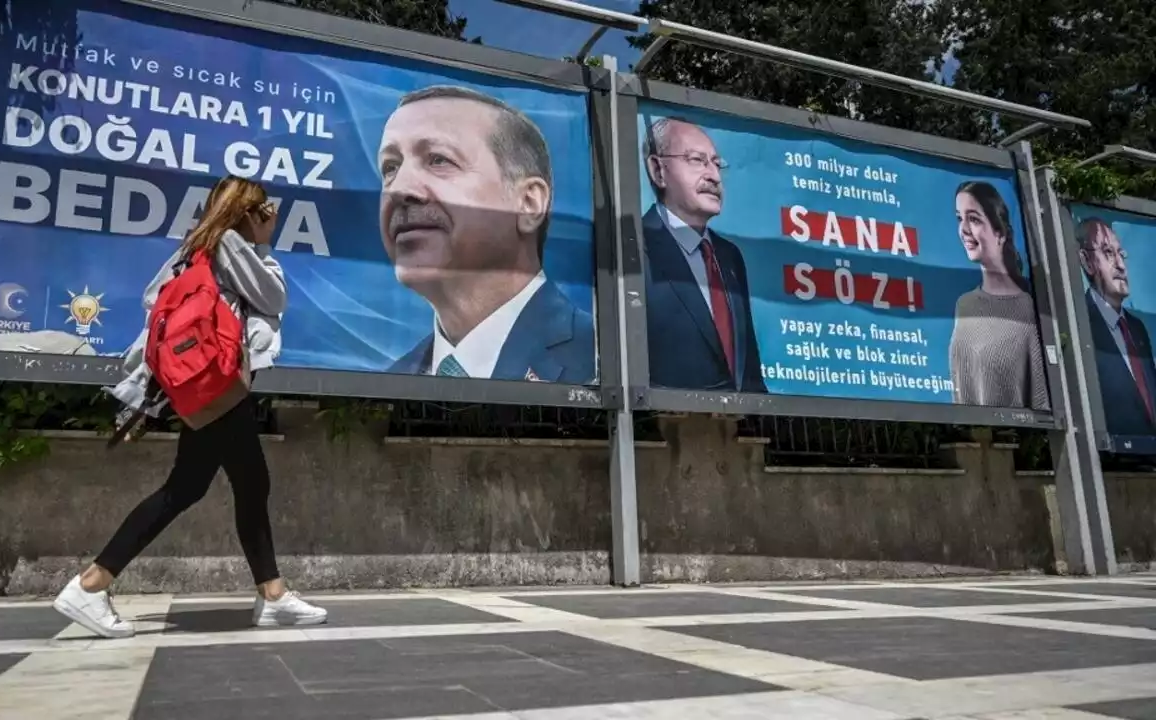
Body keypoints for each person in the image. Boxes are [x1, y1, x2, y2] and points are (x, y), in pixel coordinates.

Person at [52, 176, 327, 638]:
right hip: (216, 380)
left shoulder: (193, 246)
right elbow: (274, 296)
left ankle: (272, 593)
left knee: (195, 486)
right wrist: (261, 246)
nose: (271, 217)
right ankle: (91, 584)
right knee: (238, 482)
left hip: (195, 381)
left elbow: (150, 300)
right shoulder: (231, 245)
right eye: (266, 210)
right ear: (249, 212)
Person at [378, 85, 596, 384]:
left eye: (438, 159)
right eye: (390, 167)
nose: (399, 188)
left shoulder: (601, 359)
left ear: (528, 204)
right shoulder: (392, 381)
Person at [640, 116, 766, 393]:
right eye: (697, 160)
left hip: (738, 431)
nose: (714, 176)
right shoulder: (634, 247)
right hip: (664, 428)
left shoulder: (729, 256)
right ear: (658, 170)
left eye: (717, 163)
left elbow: (748, 369)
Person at [947, 181, 1049, 410]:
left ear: (999, 233)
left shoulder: (1028, 307)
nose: (963, 229)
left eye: (973, 219)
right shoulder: (965, 305)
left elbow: (1042, 400)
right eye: (959, 218)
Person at [1077, 217, 1156, 436]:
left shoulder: (1137, 328)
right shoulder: (1079, 321)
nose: (1121, 265)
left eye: (1121, 254)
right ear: (1087, 261)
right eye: (1108, 253)